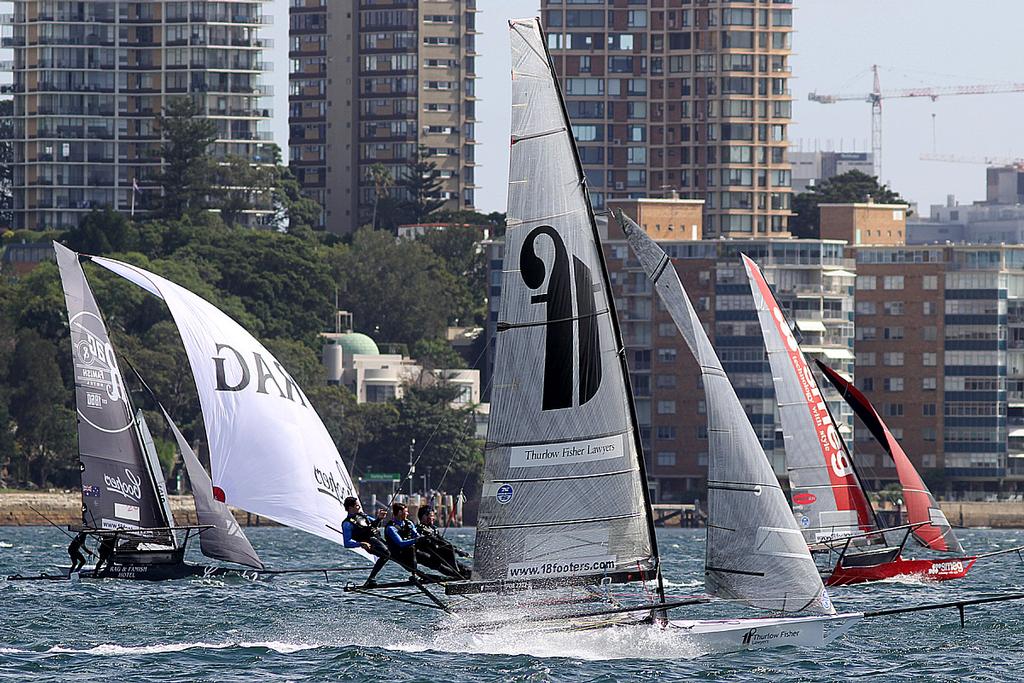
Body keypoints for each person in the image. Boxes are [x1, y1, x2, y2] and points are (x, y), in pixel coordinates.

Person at [341, 496, 390, 588]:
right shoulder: (347, 523)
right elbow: (346, 543)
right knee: (386, 554)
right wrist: (360, 544)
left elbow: (375, 525)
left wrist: (380, 518)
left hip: (378, 539)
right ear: (350, 508)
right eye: (357, 506)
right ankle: (371, 578)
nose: (359, 507)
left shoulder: (363, 515)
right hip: (370, 543)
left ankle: (415, 573)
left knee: (396, 551)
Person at [414, 506, 471, 580]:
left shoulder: (433, 528)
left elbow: (443, 540)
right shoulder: (420, 529)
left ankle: (464, 574)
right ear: (424, 516)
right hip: (432, 557)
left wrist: (458, 550)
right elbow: (436, 540)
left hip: (443, 556)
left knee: (468, 571)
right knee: (449, 549)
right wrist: (451, 548)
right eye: (431, 516)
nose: (433, 518)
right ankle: (456, 573)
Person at [384, 502, 425, 581]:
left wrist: (423, 538)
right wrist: (416, 540)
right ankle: (414, 574)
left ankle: (451, 573)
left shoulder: (409, 523)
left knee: (425, 552)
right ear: (399, 512)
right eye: (406, 511)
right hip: (398, 552)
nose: (408, 513)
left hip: (410, 549)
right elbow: (400, 544)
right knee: (411, 548)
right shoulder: (391, 527)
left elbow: (416, 535)